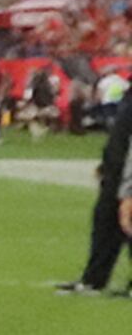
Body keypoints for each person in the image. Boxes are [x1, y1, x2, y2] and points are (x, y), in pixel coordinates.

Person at [58, 74, 131, 294]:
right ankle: (93, 279)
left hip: (125, 176)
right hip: (115, 174)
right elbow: (120, 140)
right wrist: (106, 165)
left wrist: (128, 189)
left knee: (125, 224)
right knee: (104, 224)